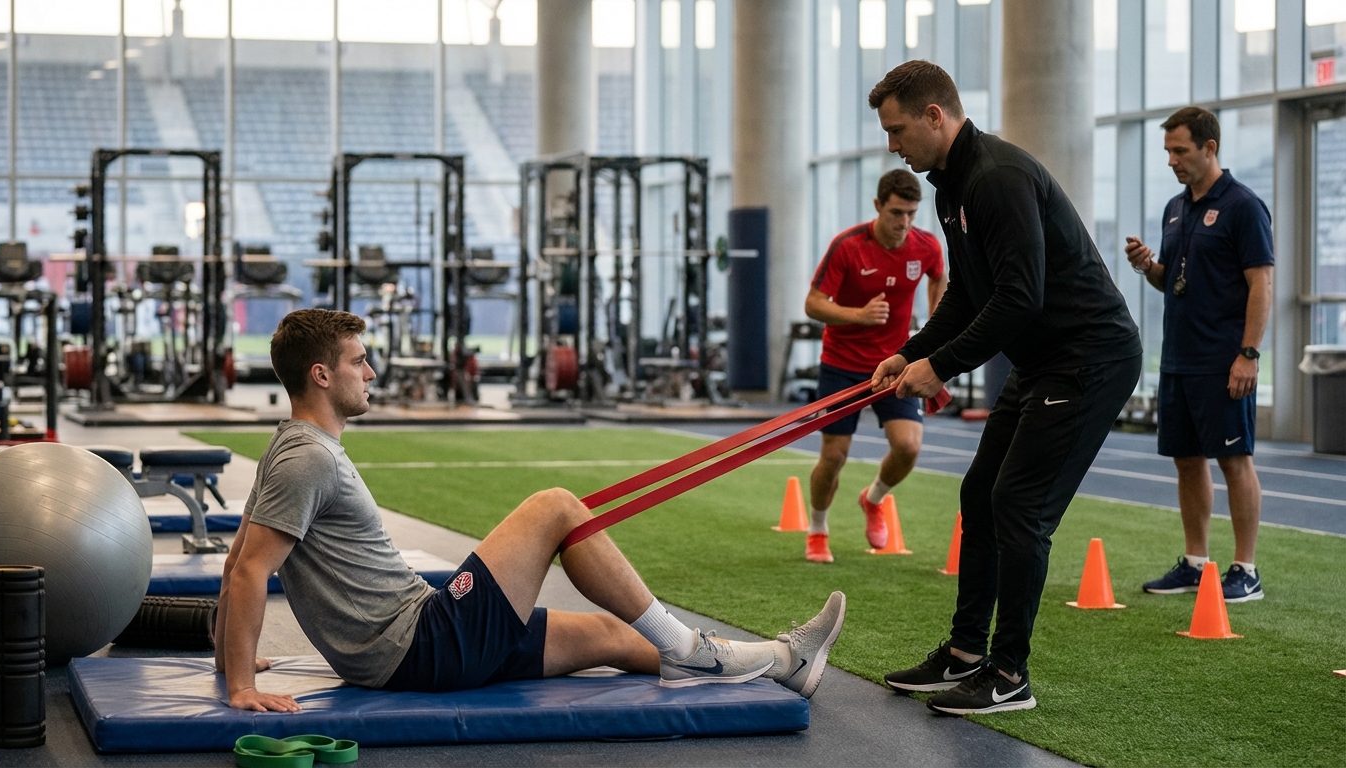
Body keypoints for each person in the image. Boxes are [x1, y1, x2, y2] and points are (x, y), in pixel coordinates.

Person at [214, 309, 846, 713]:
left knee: (610, 637)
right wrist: (241, 685)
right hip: (420, 646)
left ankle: (779, 663)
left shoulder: (288, 446)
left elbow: (237, 556)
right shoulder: (309, 459)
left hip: (424, 633)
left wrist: (225, 655)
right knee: (553, 508)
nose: (372, 372)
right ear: (322, 376)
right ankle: (690, 651)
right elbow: (250, 571)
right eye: (359, 362)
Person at [866, 61, 1143, 715]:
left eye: (898, 128)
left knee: (1019, 506)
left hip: (1089, 359)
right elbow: (969, 294)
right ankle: (965, 655)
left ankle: (1010, 674)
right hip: (1043, 361)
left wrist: (940, 368)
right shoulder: (950, 187)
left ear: (936, 116)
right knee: (979, 492)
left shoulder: (998, 178)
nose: (892, 145)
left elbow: (1020, 297)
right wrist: (911, 351)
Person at [1125, 106, 1272, 603]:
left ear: (1210, 148)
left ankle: (1245, 569)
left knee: (1235, 459)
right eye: (1167, 151)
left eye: (1180, 151)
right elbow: (1174, 279)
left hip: (1223, 358)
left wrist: (1248, 354)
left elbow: (1261, 284)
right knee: (1187, 461)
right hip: (1178, 358)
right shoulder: (1174, 207)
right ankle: (1194, 562)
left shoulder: (1244, 207)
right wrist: (1150, 267)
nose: (1171, 160)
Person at [803, 169, 946, 563]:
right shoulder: (848, 247)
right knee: (833, 457)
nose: (904, 223)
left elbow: (939, 277)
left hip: (895, 364)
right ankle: (817, 529)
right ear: (878, 206)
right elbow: (813, 303)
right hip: (842, 364)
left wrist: (934, 324)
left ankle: (874, 498)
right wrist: (858, 315)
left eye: (912, 214)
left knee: (909, 446)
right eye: (896, 213)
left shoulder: (925, 246)